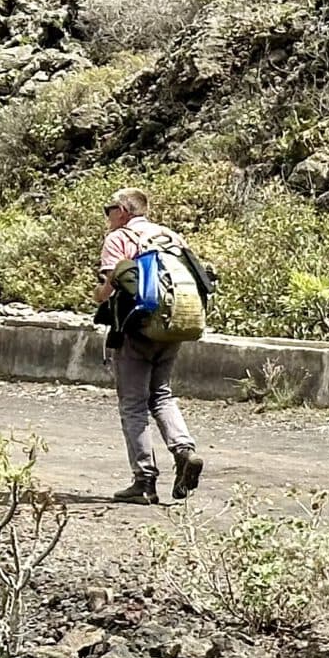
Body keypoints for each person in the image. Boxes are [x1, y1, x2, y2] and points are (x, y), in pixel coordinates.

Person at [95, 186, 205, 505]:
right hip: (173, 327)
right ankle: (184, 450)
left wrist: (98, 296)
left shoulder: (119, 239)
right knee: (161, 393)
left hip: (136, 328)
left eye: (109, 208)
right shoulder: (171, 237)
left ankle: (144, 481)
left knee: (133, 403)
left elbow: (112, 284)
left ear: (124, 210)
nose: (107, 215)